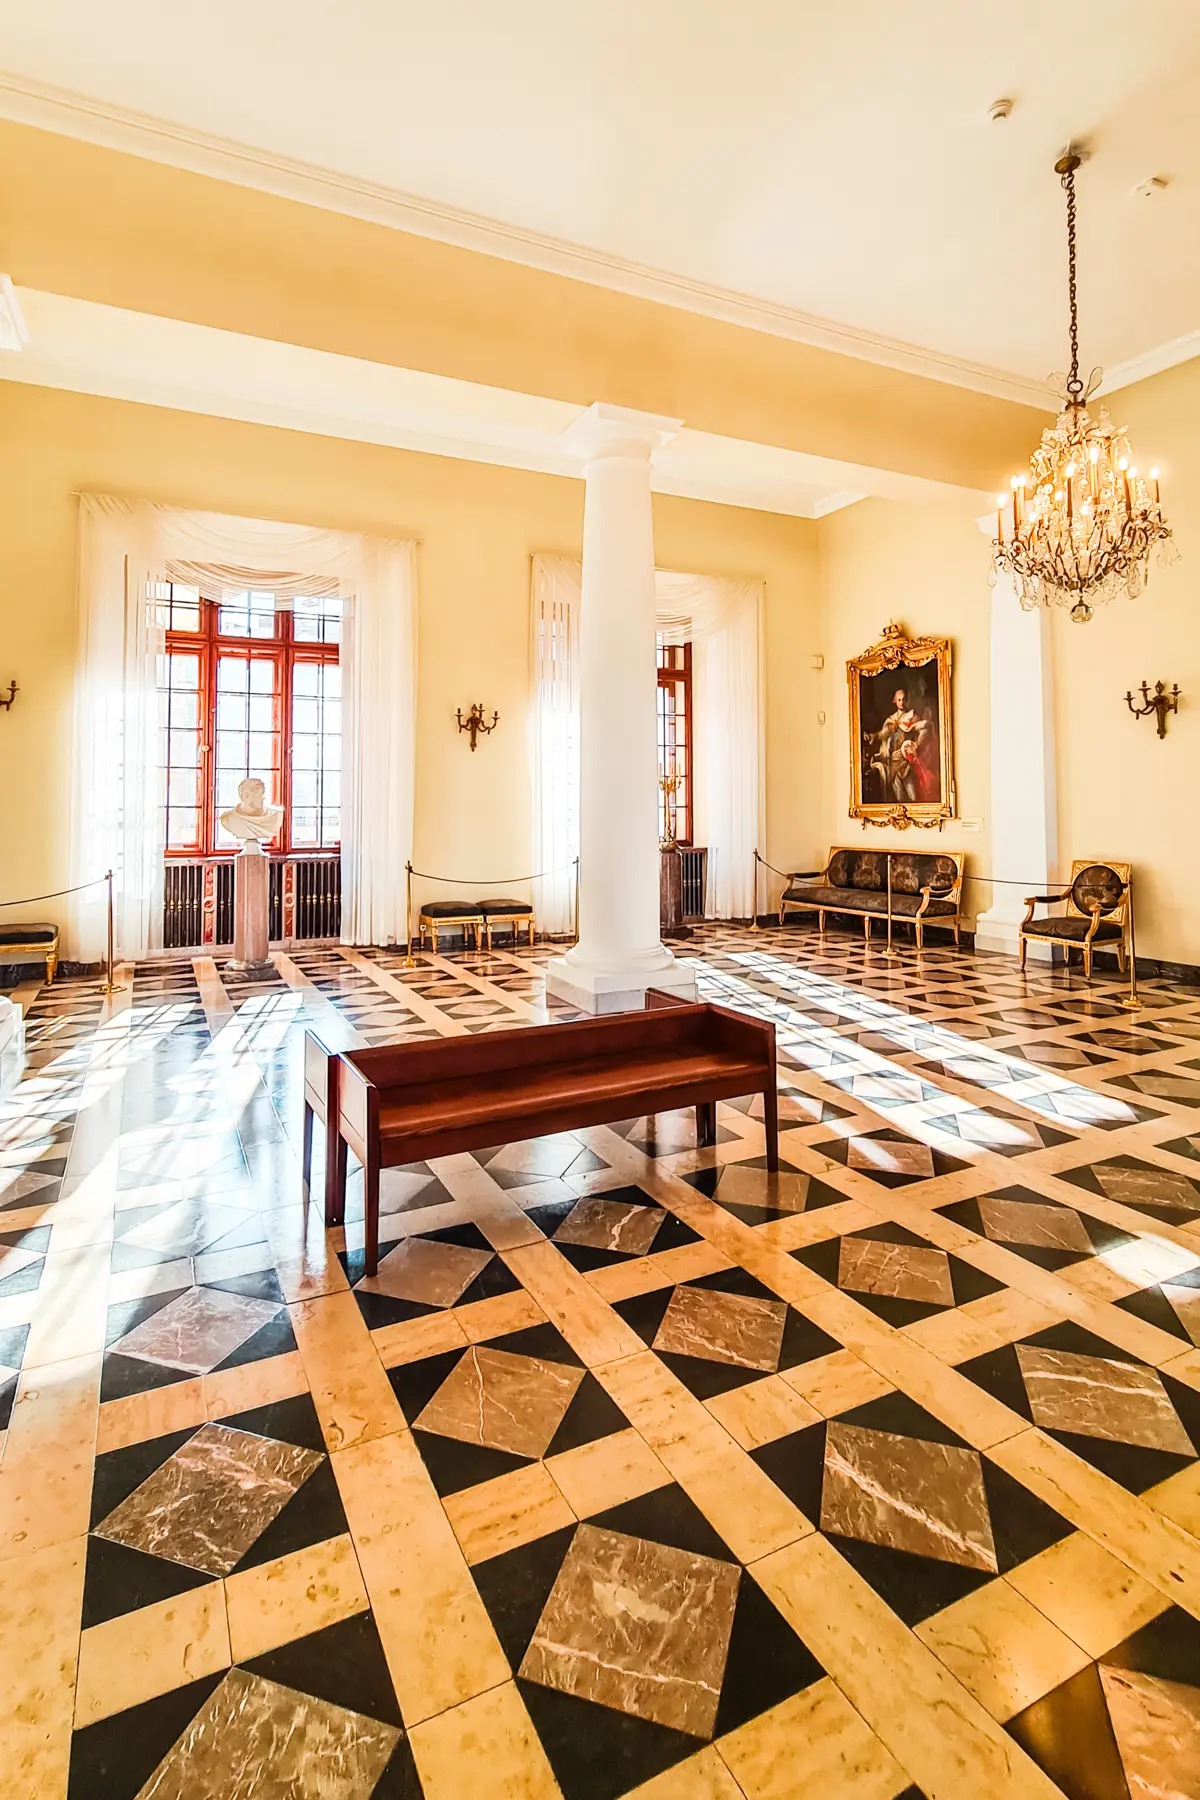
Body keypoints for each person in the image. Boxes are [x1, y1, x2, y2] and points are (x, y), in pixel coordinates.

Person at [864, 684, 935, 804]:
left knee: (912, 795)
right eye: (899, 700)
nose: (902, 702)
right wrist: (872, 736)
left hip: (906, 761)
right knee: (898, 797)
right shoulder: (891, 720)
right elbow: (882, 735)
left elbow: (924, 730)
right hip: (893, 762)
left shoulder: (911, 716)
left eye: (904, 699)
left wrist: (916, 744)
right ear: (895, 701)